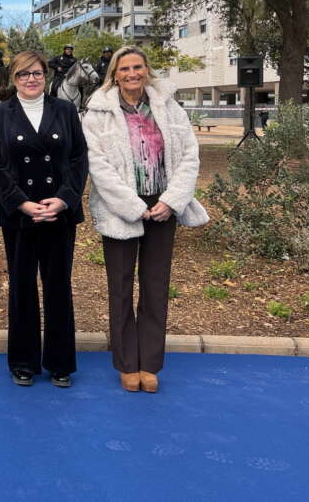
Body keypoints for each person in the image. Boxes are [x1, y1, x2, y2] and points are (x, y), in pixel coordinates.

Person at [82, 45, 209, 393]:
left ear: (146, 70)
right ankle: (127, 363)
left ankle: (150, 363)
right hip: (122, 206)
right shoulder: (98, 113)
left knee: (155, 286)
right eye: (124, 69)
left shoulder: (168, 108)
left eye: (137, 67)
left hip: (163, 205)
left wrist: (171, 201)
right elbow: (98, 167)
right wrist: (133, 206)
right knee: (120, 287)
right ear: (114, 74)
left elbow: (189, 156)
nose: (131, 74)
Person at [0, 51, 87, 388]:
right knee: (22, 287)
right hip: (21, 216)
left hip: (58, 213)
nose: (31, 79)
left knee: (58, 287)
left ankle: (60, 363)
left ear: (46, 77)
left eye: (37, 74)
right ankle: (24, 362)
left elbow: (77, 158)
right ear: (13, 79)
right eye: (23, 74)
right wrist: (22, 203)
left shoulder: (65, 110)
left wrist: (63, 199)